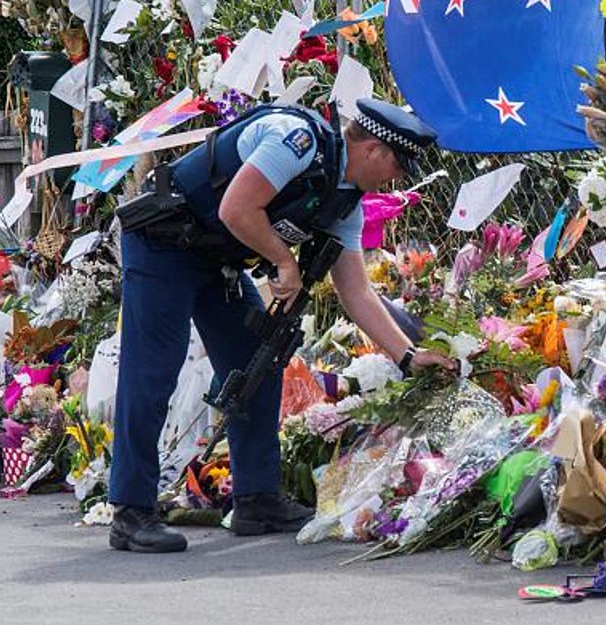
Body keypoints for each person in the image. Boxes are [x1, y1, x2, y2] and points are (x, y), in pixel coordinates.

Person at [108, 98, 453, 554]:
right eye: (397, 166)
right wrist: (283, 260)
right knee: (153, 371)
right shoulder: (297, 140)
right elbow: (236, 207)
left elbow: (356, 292)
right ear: (372, 149)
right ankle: (131, 511)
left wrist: (408, 356)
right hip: (163, 243)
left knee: (260, 356)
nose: (397, 179)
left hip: (216, 261)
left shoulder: (345, 201)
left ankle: (257, 498)